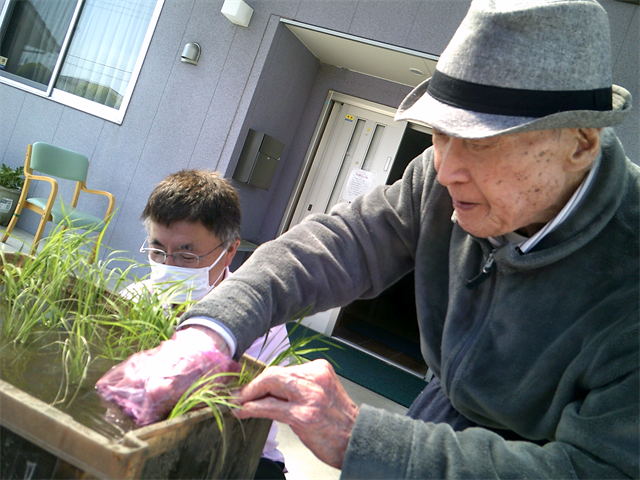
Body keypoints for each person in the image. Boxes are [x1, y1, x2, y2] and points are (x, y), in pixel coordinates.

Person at [99, 1, 639, 479]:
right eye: (440, 133)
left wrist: (364, 440)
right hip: (437, 417)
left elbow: (599, 467)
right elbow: (342, 243)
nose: (446, 169)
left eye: (479, 141)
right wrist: (210, 331)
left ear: (580, 142)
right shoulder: (438, 175)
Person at [122, 170, 290, 480]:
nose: (168, 266)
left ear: (228, 252)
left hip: (234, 451)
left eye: (186, 255)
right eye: (158, 250)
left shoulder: (263, 325)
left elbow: (237, 420)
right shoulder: (134, 300)